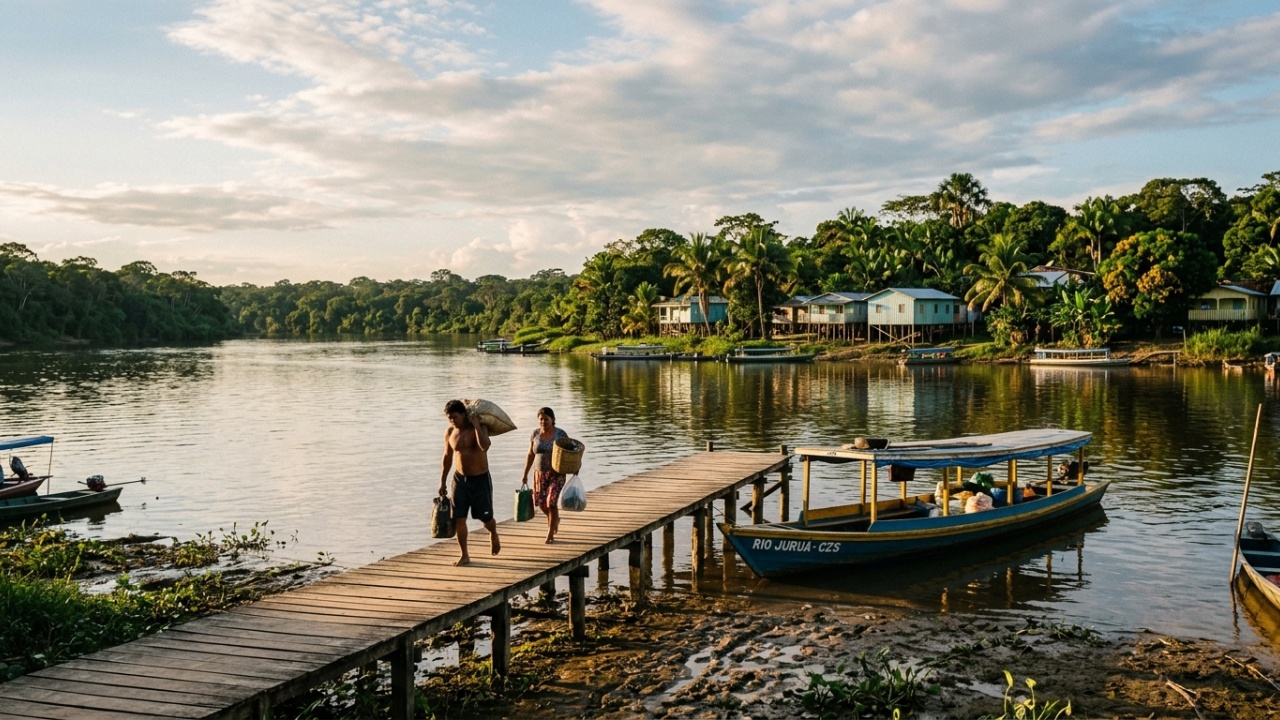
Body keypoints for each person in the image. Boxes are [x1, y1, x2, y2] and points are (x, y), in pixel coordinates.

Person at [440, 399, 500, 565]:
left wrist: (476, 424)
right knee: (459, 518)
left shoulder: (479, 427)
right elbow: (447, 457)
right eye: (449, 417)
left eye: (455, 417)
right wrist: (442, 481)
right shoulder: (450, 432)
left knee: (486, 519)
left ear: (464, 415)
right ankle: (464, 555)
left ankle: (493, 533)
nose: (452, 420)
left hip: (480, 479)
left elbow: (485, 446)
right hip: (459, 480)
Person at [521, 406, 568, 543]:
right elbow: (530, 454)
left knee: (551, 503)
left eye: (546, 419)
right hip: (539, 474)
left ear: (552, 419)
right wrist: (525, 474)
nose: (543, 422)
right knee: (541, 504)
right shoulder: (535, 434)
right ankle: (554, 519)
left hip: (556, 474)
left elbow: (570, 450)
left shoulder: (560, 434)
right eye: (541, 419)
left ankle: (550, 533)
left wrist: (575, 466)